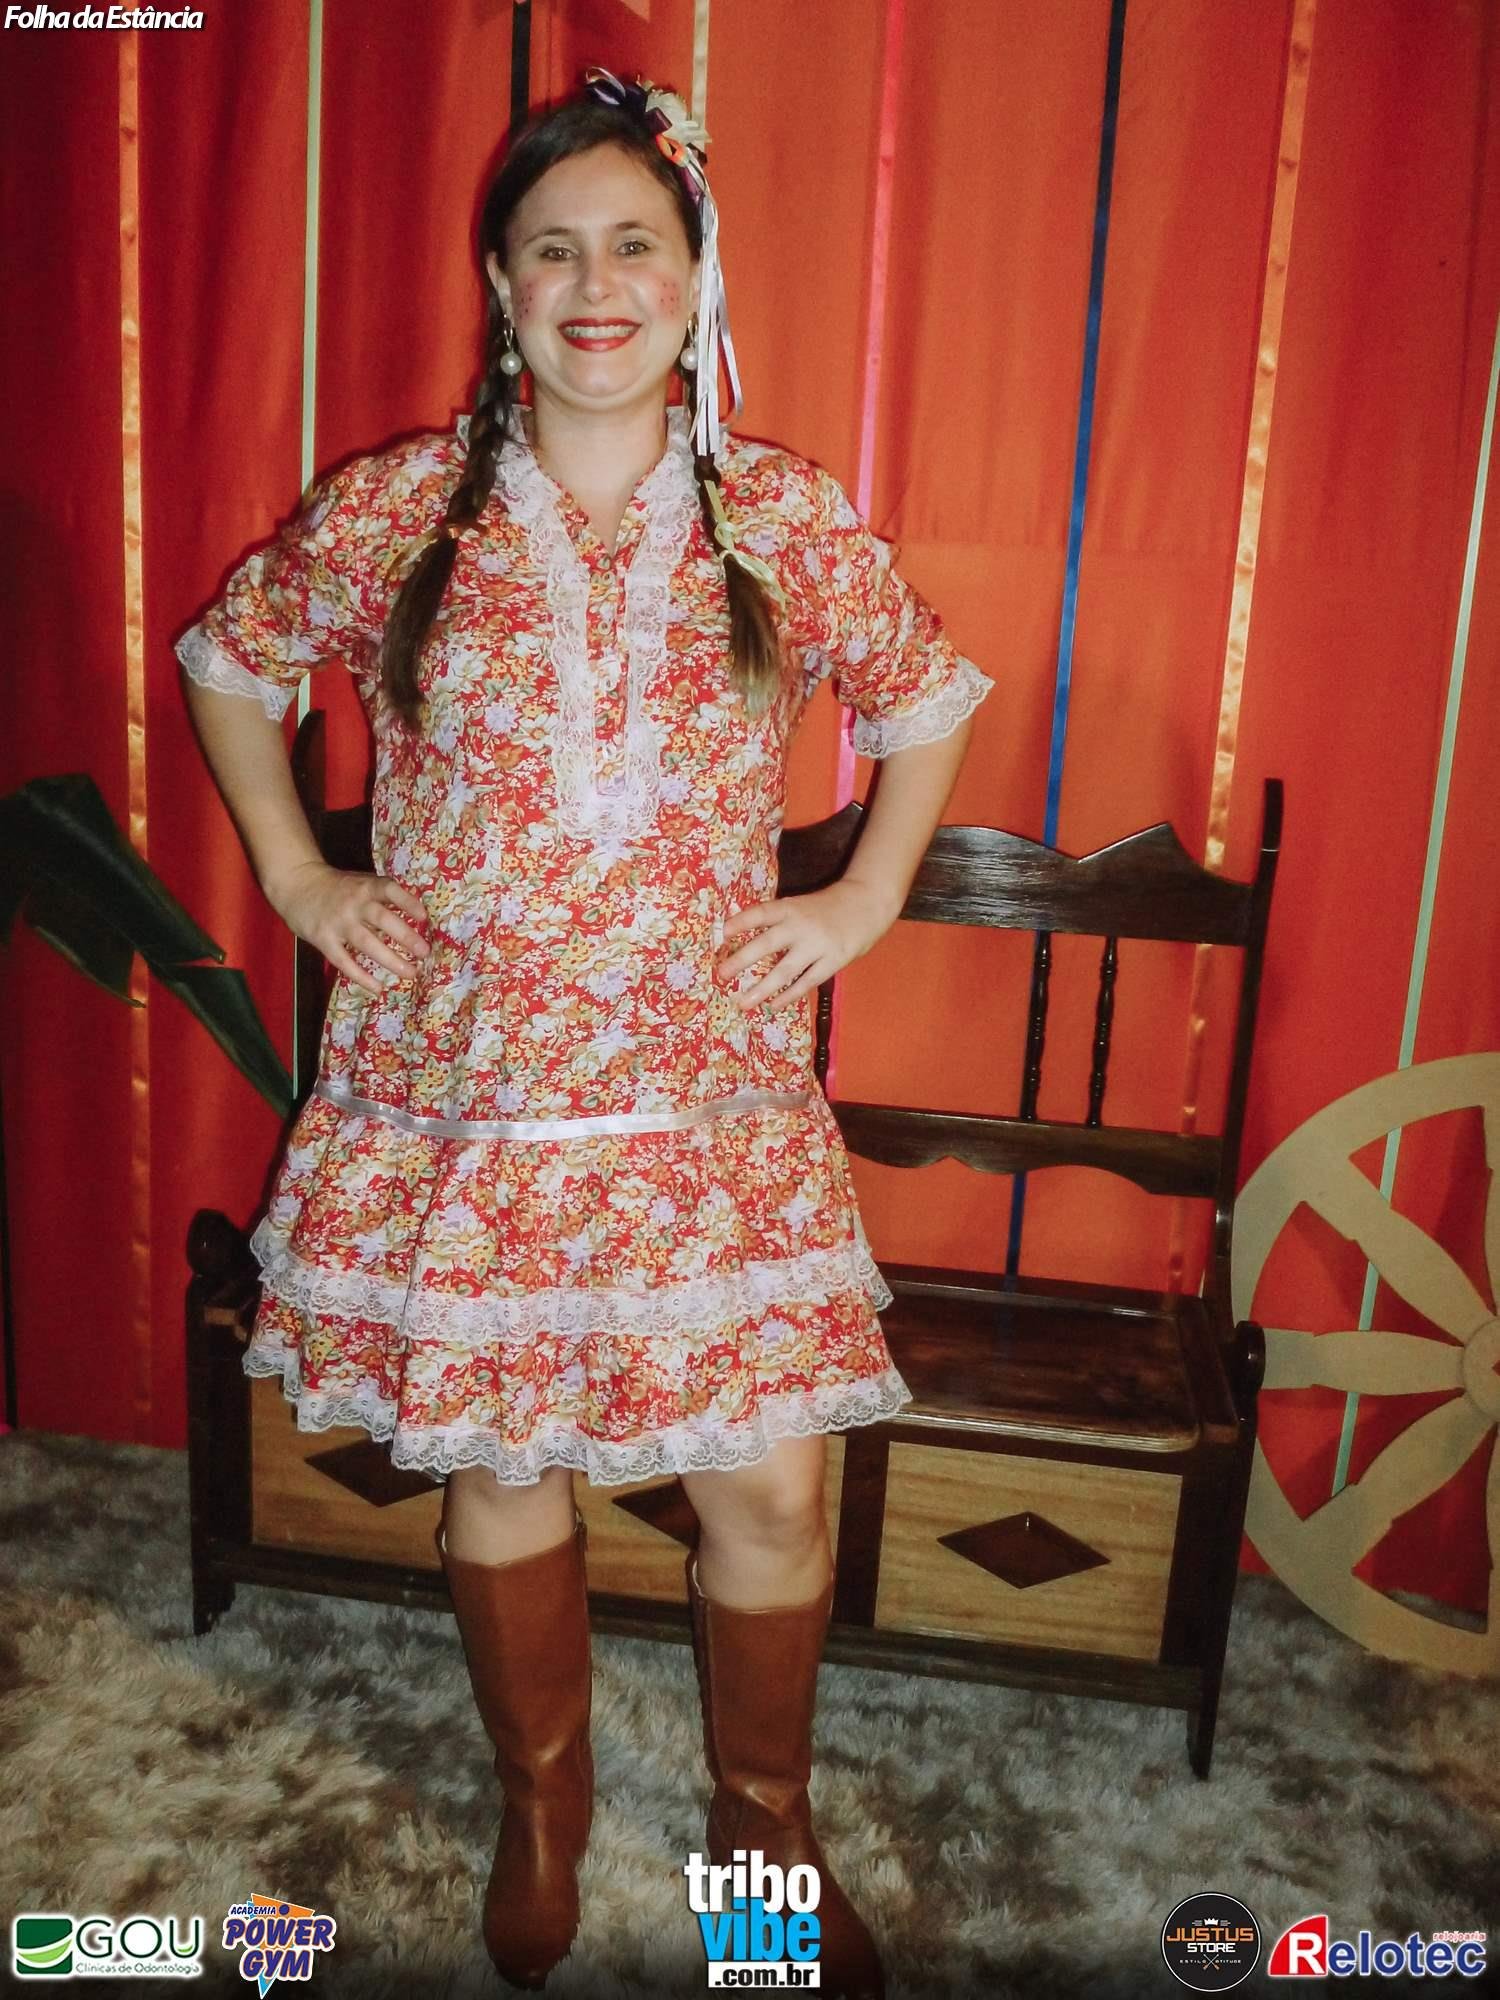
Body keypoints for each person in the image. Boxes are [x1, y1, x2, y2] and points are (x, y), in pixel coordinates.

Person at [177, 67, 992, 1999]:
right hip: (468, 1100)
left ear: (697, 281)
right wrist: (297, 874)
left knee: (771, 1485)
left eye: (636, 245)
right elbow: (232, 657)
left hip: (705, 1099)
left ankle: (761, 1829)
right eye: (555, 250)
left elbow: (927, 690)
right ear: (502, 283)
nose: (596, 283)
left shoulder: (777, 514)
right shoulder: (403, 509)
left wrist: (864, 898)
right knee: (504, 1456)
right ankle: (543, 1799)